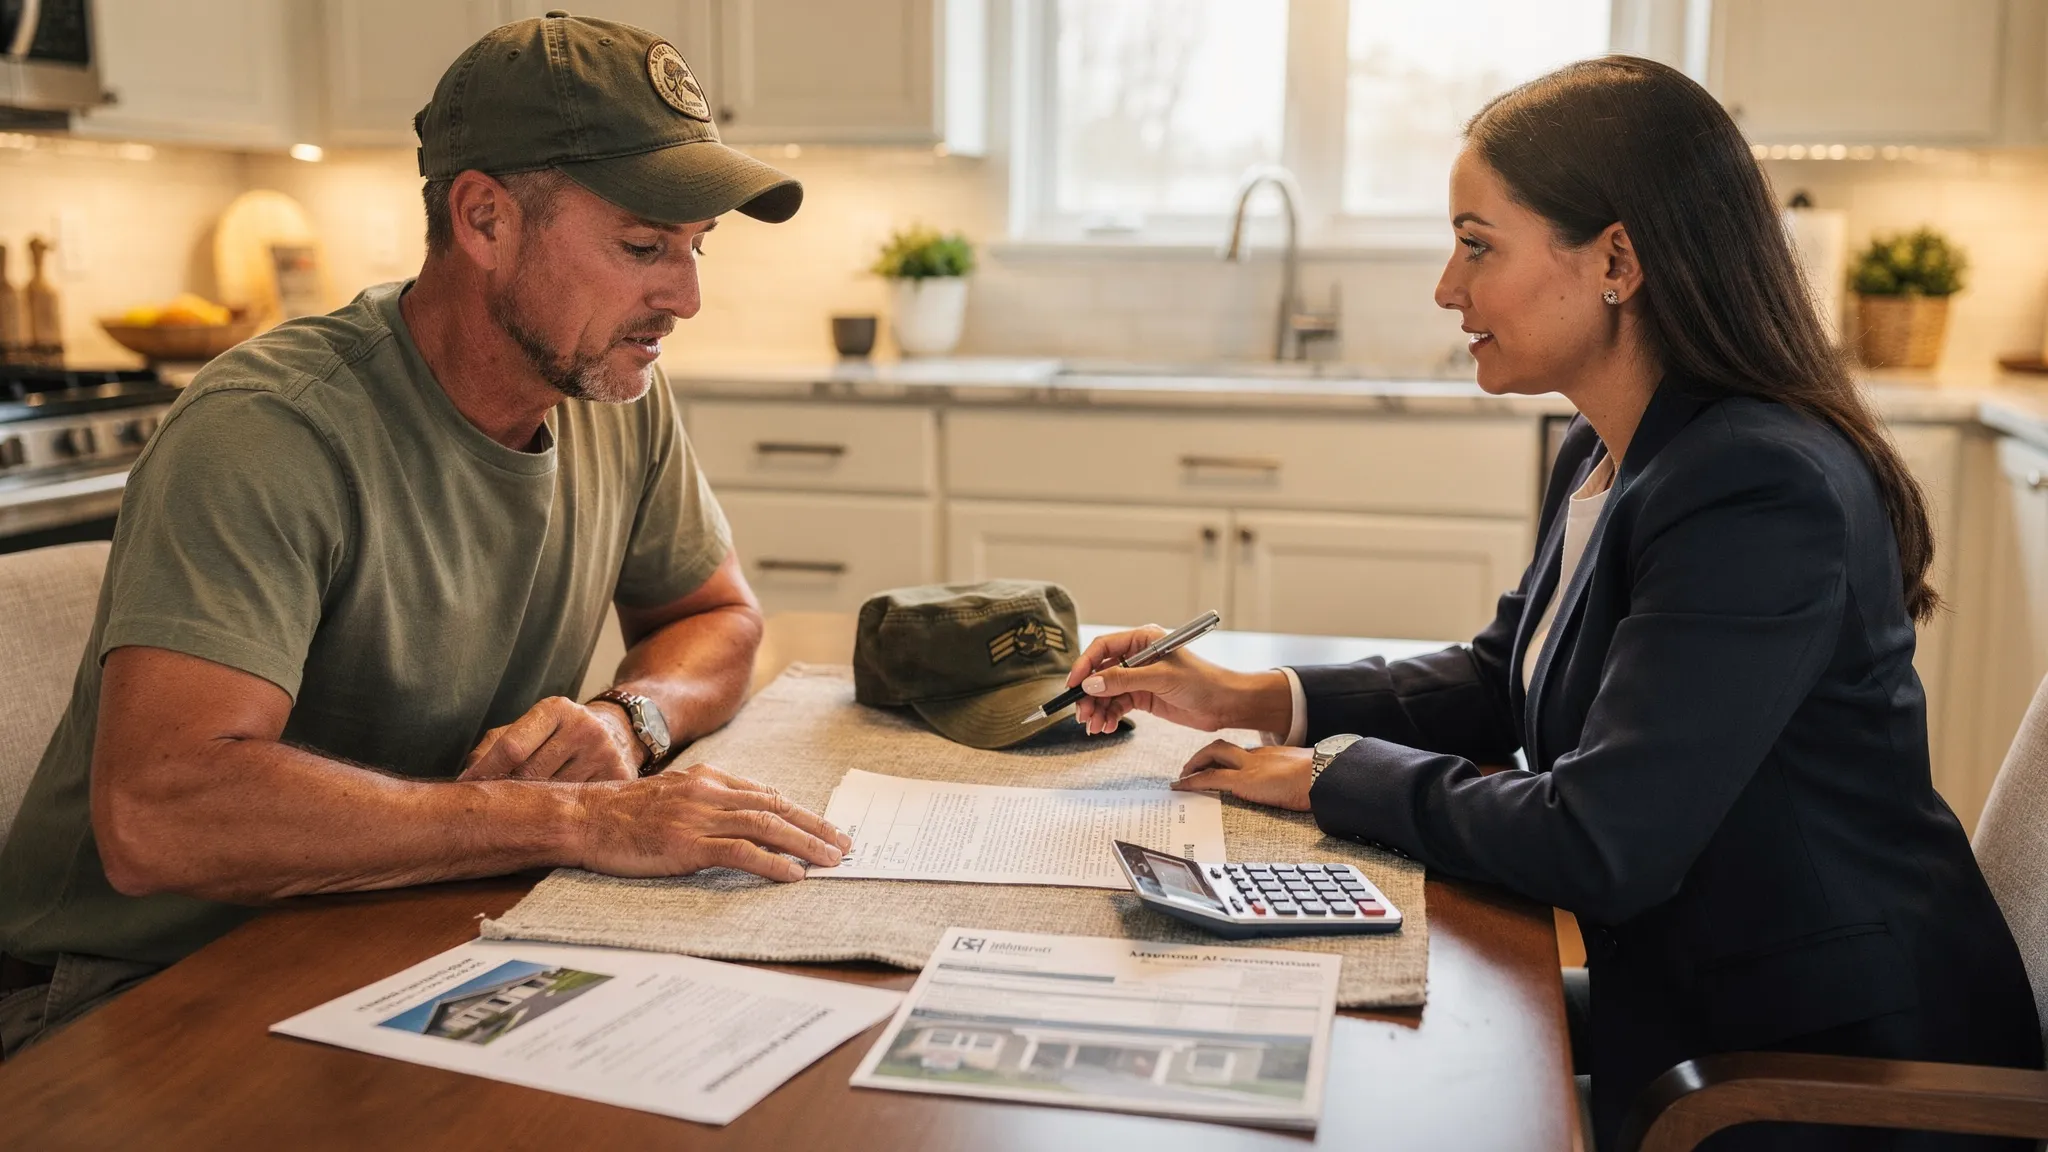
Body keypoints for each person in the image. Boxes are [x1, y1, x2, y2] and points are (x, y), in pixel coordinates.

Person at [1067, 57, 2041, 1151]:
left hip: (1820, 1072)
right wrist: (1254, 696)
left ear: (1615, 259)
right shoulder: (1612, 441)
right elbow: (1502, 678)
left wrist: (1331, 777)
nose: (1446, 287)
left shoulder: (1754, 488)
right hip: (1695, 1006)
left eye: (1476, 244)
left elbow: (1599, 841)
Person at [0, 13, 850, 1058]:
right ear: (485, 220)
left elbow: (715, 615)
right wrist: (575, 822)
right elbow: (160, 816)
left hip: (409, 924)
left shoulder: (613, 390)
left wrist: (632, 719)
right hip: (137, 985)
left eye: (692, 249)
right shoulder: (271, 429)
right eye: (641, 246)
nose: (684, 297)